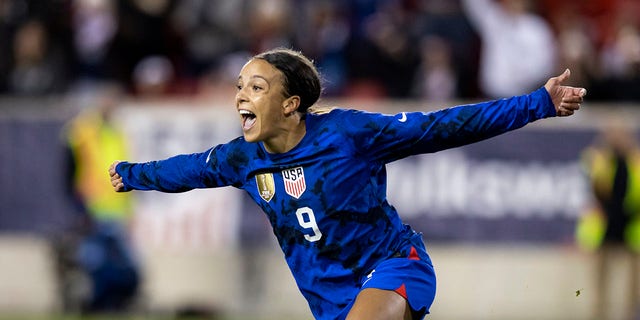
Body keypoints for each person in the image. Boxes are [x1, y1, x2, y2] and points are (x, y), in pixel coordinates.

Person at [109, 48, 586, 320]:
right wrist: (130, 175)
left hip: (395, 265)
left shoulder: (348, 134)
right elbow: (184, 170)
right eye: (239, 85)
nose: (240, 96)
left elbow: (446, 125)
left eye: (256, 87)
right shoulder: (241, 159)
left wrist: (537, 104)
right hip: (329, 299)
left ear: (291, 103)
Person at [64, 85, 140, 313]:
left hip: (116, 210)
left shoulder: (117, 132)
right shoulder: (84, 130)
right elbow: (71, 170)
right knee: (95, 263)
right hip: (92, 209)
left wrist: (129, 211)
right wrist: (79, 207)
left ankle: (114, 305)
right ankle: (99, 306)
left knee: (125, 266)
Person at [576, 119, 640, 320]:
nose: (617, 138)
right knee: (601, 279)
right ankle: (599, 314)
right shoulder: (598, 158)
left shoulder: (635, 161)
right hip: (604, 226)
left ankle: (630, 314)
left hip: (631, 224)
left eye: (621, 134)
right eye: (613, 134)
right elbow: (592, 177)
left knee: (633, 281)